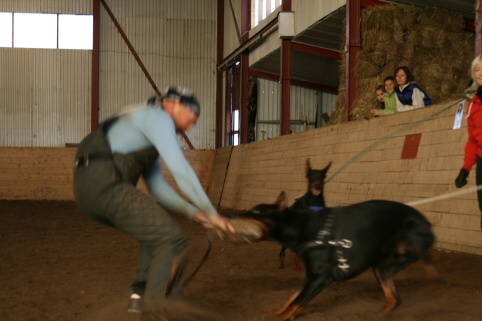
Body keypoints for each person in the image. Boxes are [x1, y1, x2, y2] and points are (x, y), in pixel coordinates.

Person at [72, 86, 236, 317]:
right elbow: (181, 171)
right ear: (175, 105)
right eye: (191, 119)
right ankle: (157, 311)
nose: (189, 127)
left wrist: (196, 215)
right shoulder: (158, 117)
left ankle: (138, 296)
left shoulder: (144, 128)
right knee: (173, 239)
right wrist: (211, 212)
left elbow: (158, 189)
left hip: (87, 189)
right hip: (105, 183)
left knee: (155, 232)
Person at [455, 55, 482, 229]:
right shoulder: (473, 105)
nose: (479, 73)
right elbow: (472, 141)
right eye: (476, 70)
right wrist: (465, 169)